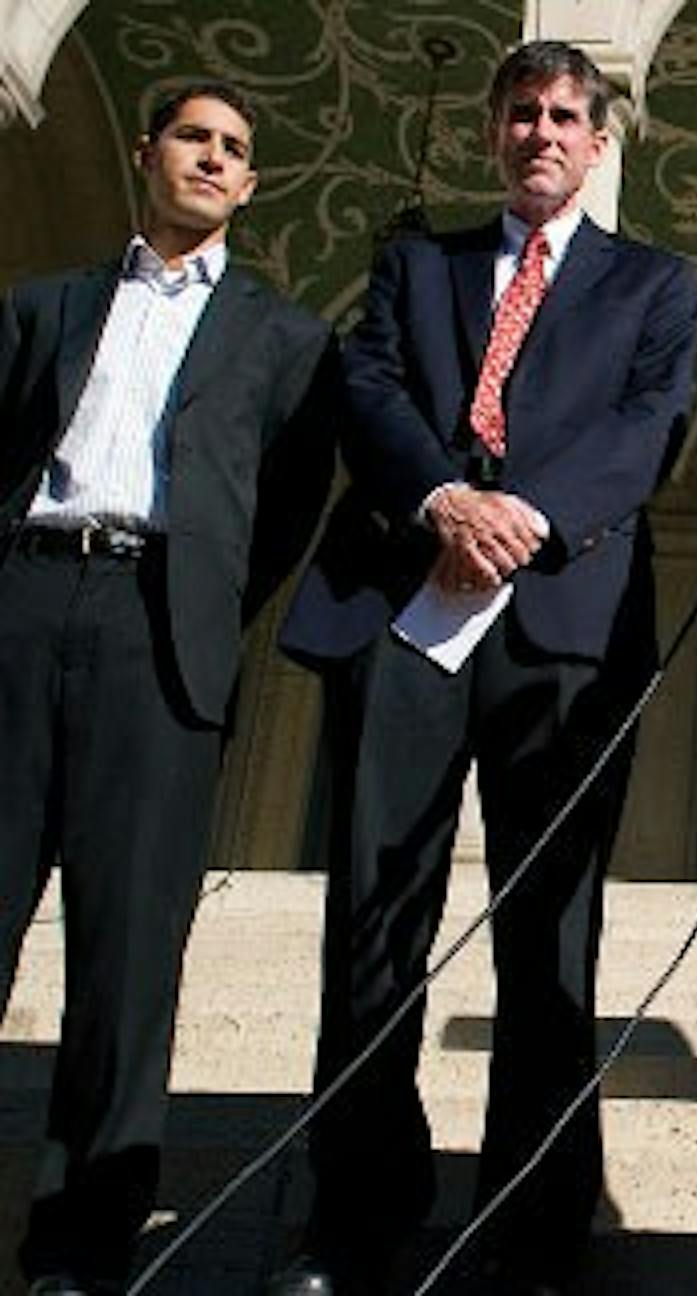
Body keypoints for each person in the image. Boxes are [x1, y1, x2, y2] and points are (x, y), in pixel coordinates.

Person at [273, 41, 697, 1294]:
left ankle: (535, 1230)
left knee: (549, 934)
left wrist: (527, 517)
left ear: (599, 141)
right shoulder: (419, 266)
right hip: (409, 609)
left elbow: (649, 428)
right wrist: (444, 499)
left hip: (563, 628)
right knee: (373, 921)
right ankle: (354, 1217)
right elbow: (369, 386)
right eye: (521, 113)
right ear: (491, 131)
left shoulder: (654, 284)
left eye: (565, 115)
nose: (541, 133)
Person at [0, 82, 338, 1294]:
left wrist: (198, 607)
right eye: (194, 137)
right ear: (148, 154)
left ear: (250, 185)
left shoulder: (285, 341)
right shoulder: (44, 307)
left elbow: (285, 505)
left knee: (129, 962)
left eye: (234, 149)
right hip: (25, 601)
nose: (212, 158)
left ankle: (77, 1255)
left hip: (157, 634)